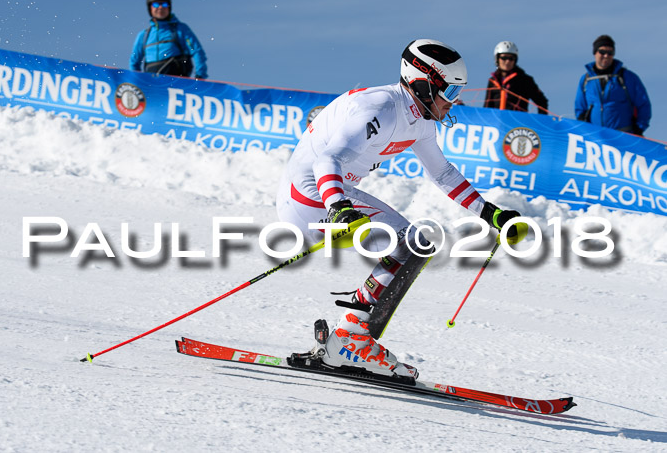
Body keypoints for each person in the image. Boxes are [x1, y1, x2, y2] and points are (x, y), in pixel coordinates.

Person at [276, 39, 527, 380]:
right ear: (424, 84)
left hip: (332, 195)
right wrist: (339, 208)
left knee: (413, 243)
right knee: (411, 243)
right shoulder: (381, 106)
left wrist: (490, 213)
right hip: (308, 195)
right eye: (449, 93)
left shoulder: (420, 121)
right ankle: (350, 339)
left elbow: (442, 172)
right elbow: (327, 159)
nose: (453, 104)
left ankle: (349, 338)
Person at [574, 35, 651, 135]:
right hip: (596, 138)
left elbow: (643, 104)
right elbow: (580, 108)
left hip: (623, 136)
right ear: (595, 53)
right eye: (602, 52)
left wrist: (639, 129)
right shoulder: (586, 80)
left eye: (610, 53)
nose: (606, 55)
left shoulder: (627, 78)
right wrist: (583, 129)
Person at [129, 0, 208, 79]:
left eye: (164, 4)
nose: (160, 7)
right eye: (156, 4)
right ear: (150, 8)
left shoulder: (180, 29)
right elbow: (134, 62)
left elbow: (197, 51)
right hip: (152, 84)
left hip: (176, 80)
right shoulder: (144, 36)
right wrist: (136, 80)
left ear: (169, 7)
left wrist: (200, 76)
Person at [484, 41, 549, 114]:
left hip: (517, 123)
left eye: (511, 58)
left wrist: (540, 121)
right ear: (497, 59)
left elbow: (542, 101)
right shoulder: (493, 81)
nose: (507, 61)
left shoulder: (525, 80)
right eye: (504, 58)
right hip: (497, 122)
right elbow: (487, 106)